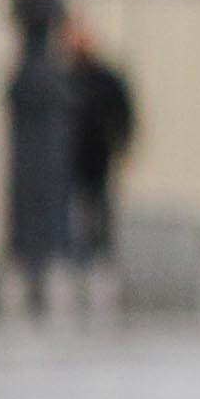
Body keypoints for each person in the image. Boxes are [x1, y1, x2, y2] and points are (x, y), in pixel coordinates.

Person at [64, 21, 137, 265]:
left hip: (98, 153)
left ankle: (100, 249)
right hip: (73, 156)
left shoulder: (104, 79)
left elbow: (123, 113)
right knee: (76, 205)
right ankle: (80, 251)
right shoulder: (69, 77)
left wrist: (123, 143)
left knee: (98, 203)